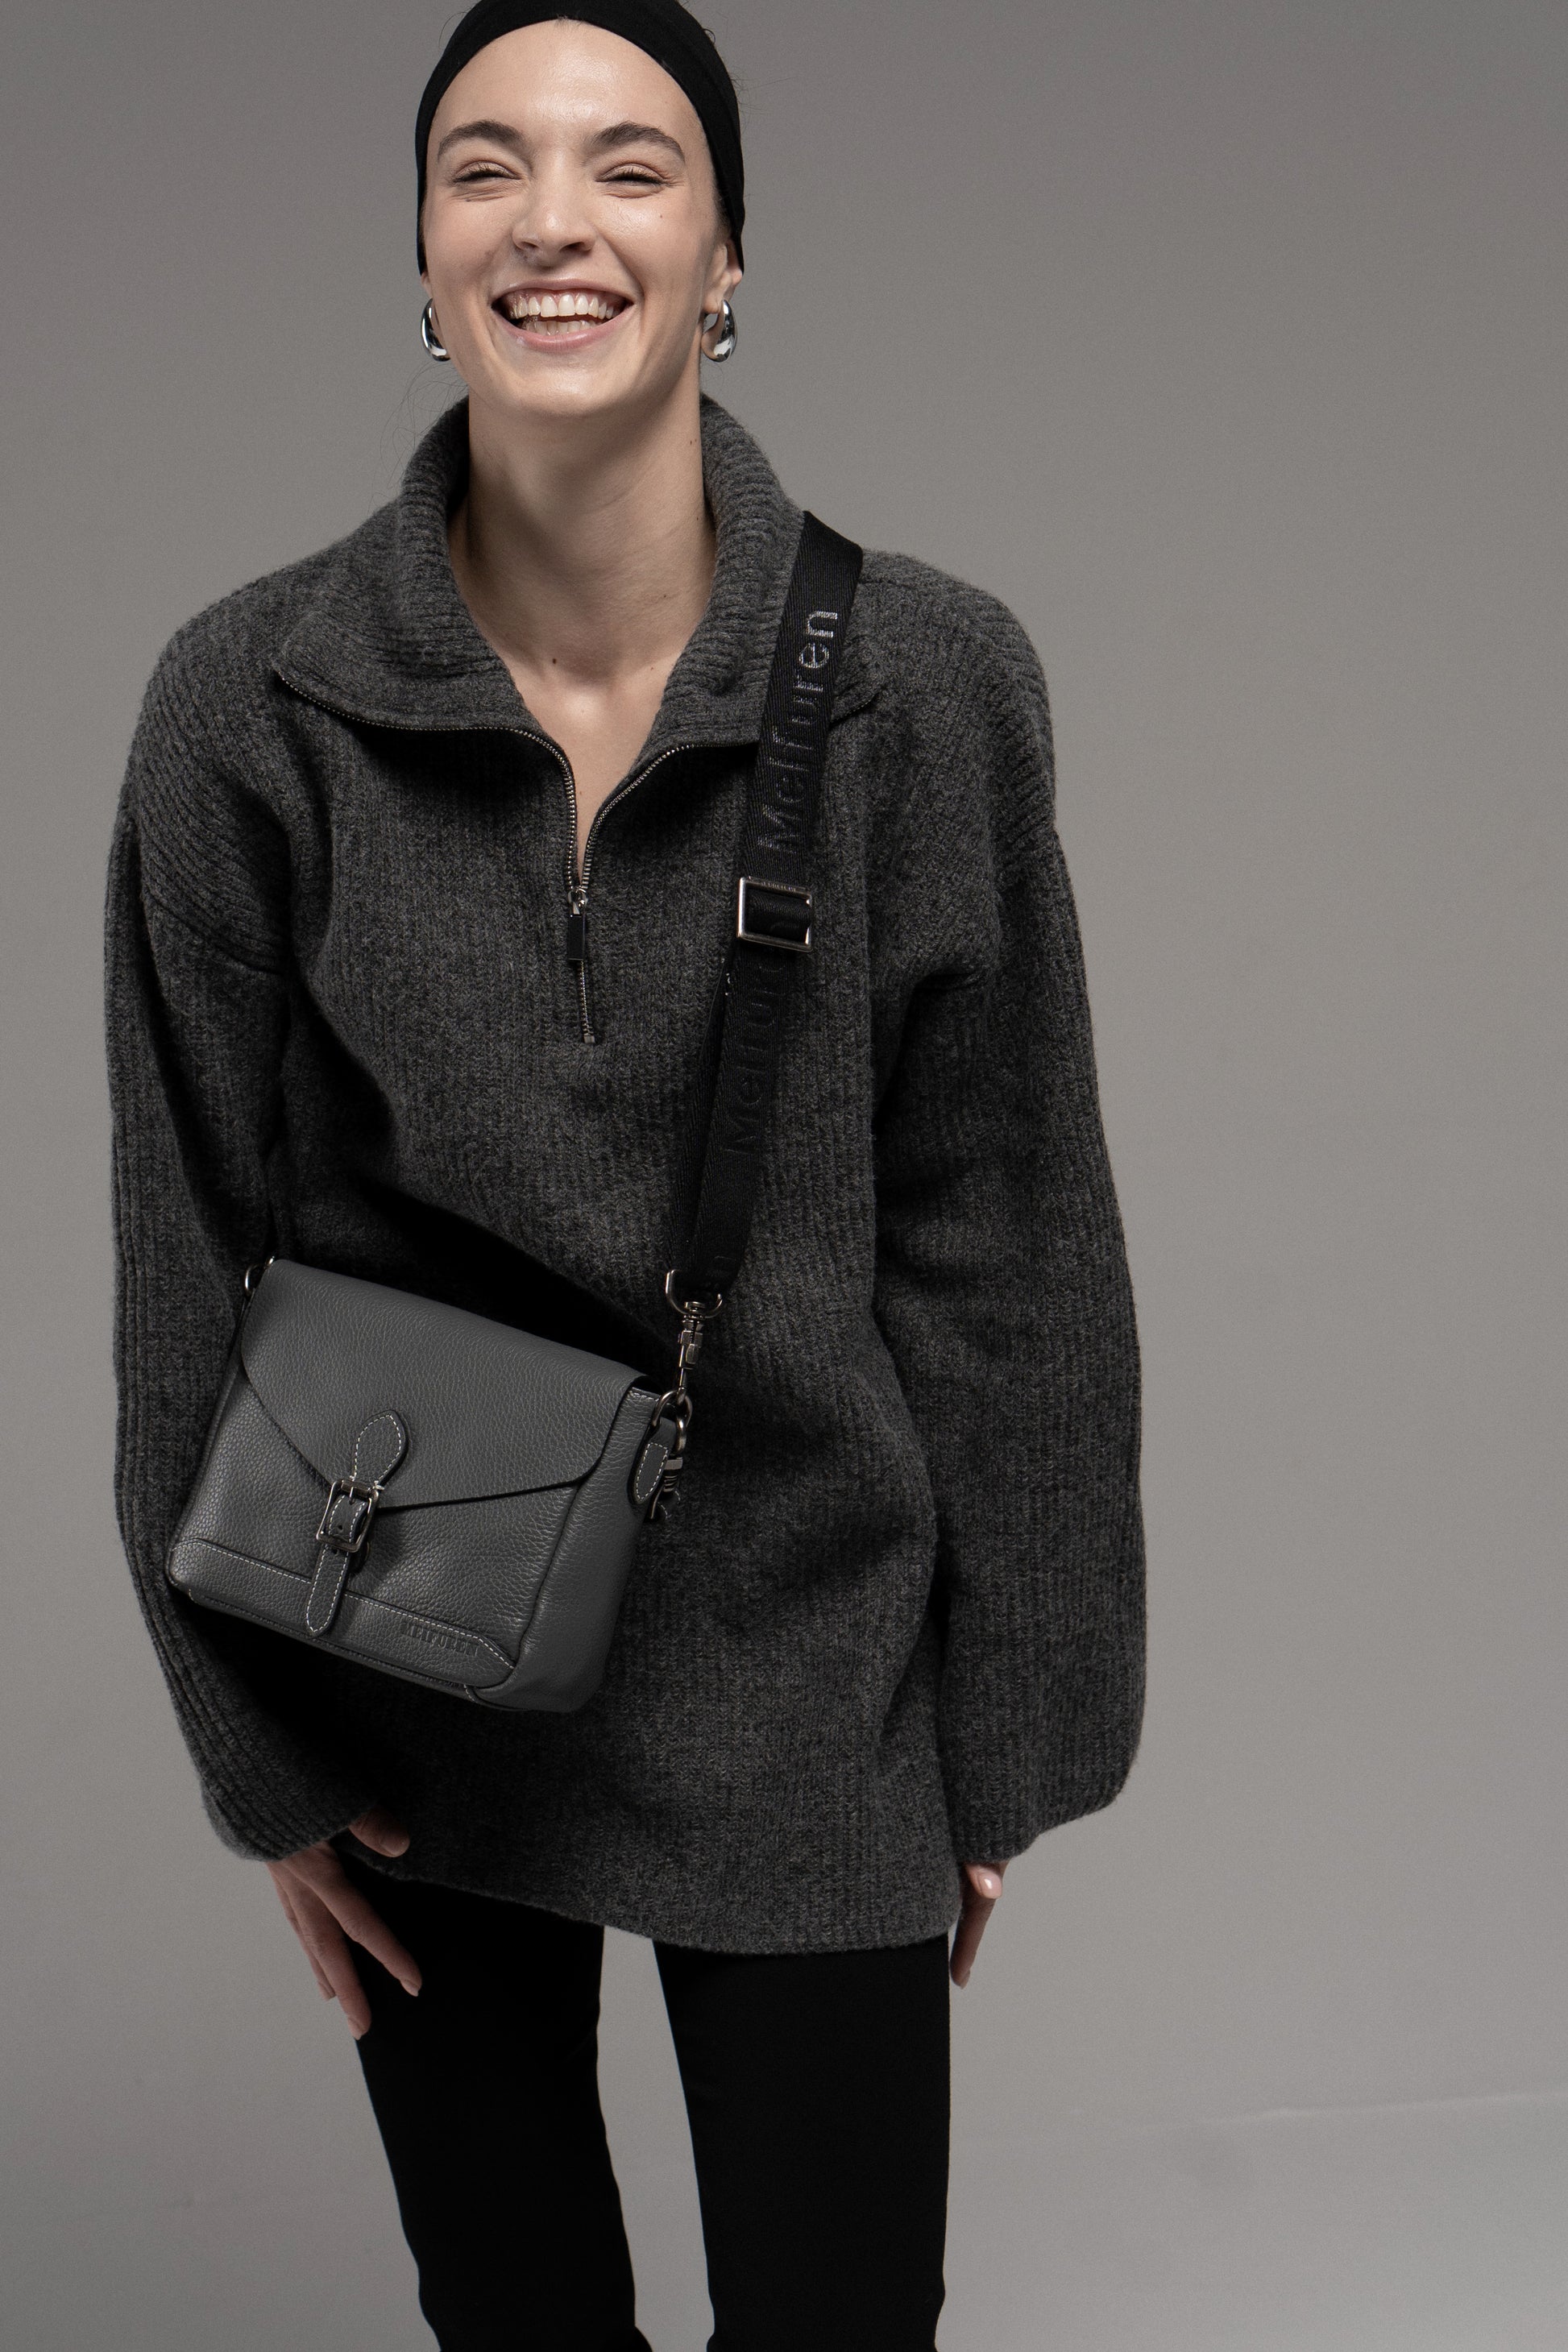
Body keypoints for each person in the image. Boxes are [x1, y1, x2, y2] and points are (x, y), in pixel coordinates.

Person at [103, 3, 1147, 2345]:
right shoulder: (249, 705)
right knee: (517, 2319)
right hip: (405, 1649)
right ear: (420, 252)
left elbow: (1011, 1243)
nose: (550, 222)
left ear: (727, 255)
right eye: (483, 167)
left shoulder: (928, 683)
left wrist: (1012, 1739)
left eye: (630, 167)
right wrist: (257, 1755)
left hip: (817, 1662)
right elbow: (182, 1245)